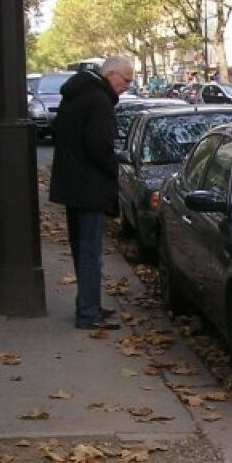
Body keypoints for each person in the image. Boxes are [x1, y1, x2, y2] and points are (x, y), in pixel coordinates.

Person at [48, 55, 133, 331]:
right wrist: (114, 167)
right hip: (89, 187)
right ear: (111, 74)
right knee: (90, 252)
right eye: (126, 80)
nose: (127, 87)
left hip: (72, 184)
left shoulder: (76, 94)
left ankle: (89, 305)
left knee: (82, 249)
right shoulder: (99, 101)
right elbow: (99, 147)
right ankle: (88, 312)